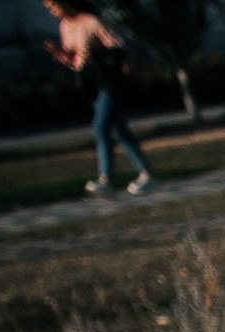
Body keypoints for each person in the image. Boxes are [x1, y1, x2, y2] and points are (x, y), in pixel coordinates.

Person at [41, 0, 152, 197]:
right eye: (48, 9)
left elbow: (117, 46)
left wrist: (97, 53)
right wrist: (60, 54)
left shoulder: (90, 22)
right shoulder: (65, 26)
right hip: (91, 82)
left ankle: (105, 179)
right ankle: (146, 174)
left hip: (108, 82)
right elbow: (77, 63)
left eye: (53, 6)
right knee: (119, 130)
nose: (52, 12)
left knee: (100, 128)